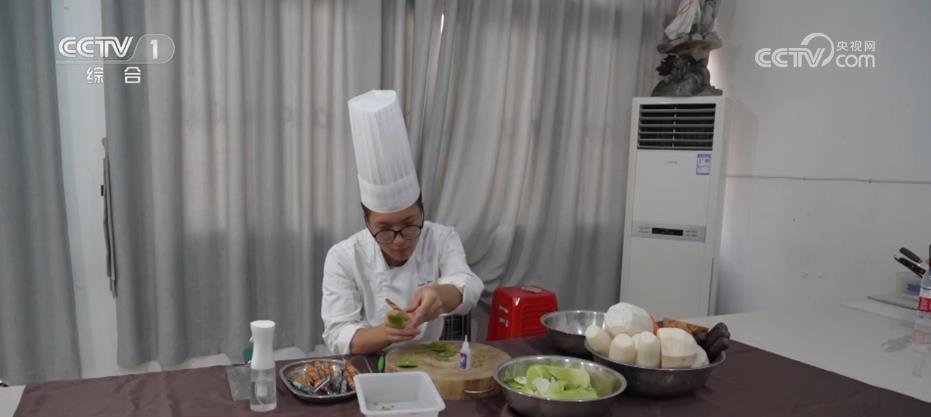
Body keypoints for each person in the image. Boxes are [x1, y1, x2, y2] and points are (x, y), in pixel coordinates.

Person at [321, 90, 484, 355]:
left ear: (422, 211)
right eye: (385, 230)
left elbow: (469, 285)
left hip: (429, 360)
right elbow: (337, 334)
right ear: (367, 221)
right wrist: (386, 333)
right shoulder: (343, 257)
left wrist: (439, 295)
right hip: (369, 363)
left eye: (409, 225)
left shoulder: (441, 238)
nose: (398, 241)